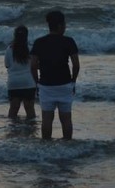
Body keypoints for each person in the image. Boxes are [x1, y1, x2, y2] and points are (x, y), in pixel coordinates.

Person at [30, 11, 80, 140]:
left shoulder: (39, 42)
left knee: (47, 118)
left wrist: (37, 83)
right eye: (64, 25)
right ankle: (67, 146)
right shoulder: (68, 41)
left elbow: (33, 65)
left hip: (46, 85)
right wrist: (73, 81)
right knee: (66, 119)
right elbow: (76, 64)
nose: (65, 27)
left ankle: (47, 147)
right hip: (64, 84)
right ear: (59, 26)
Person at [5, 25, 37, 119]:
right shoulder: (31, 48)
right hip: (28, 82)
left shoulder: (9, 49)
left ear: (15, 35)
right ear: (26, 35)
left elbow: (7, 65)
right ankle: (30, 130)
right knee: (30, 110)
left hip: (13, 83)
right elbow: (34, 66)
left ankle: (13, 130)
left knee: (13, 110)